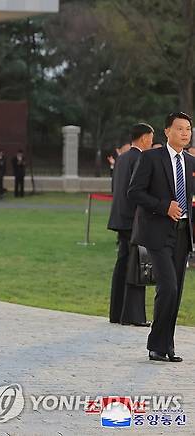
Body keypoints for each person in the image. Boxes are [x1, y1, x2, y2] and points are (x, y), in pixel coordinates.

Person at [128, 112, 195, 363]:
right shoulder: (150, 158)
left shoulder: (190, 162)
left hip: (182, 234)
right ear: (167, 131)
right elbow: (134, 192)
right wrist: (163, 205)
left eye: (188, 129)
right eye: (180, 129)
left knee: (175, 292)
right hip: (157, 234)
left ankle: (167, 345)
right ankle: (156, 344)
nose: (185, 133)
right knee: (168, 287)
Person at [107, 123, 154, 327]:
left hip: (119, 217)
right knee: (137, 265)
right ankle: (134, 316)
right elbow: (139, 192)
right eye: (151, 139)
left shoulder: (122, 158)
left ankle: (117, 313)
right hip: (133, 219)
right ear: (144, 138)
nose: (152, 143)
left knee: (123, 263)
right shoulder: (141, 158)